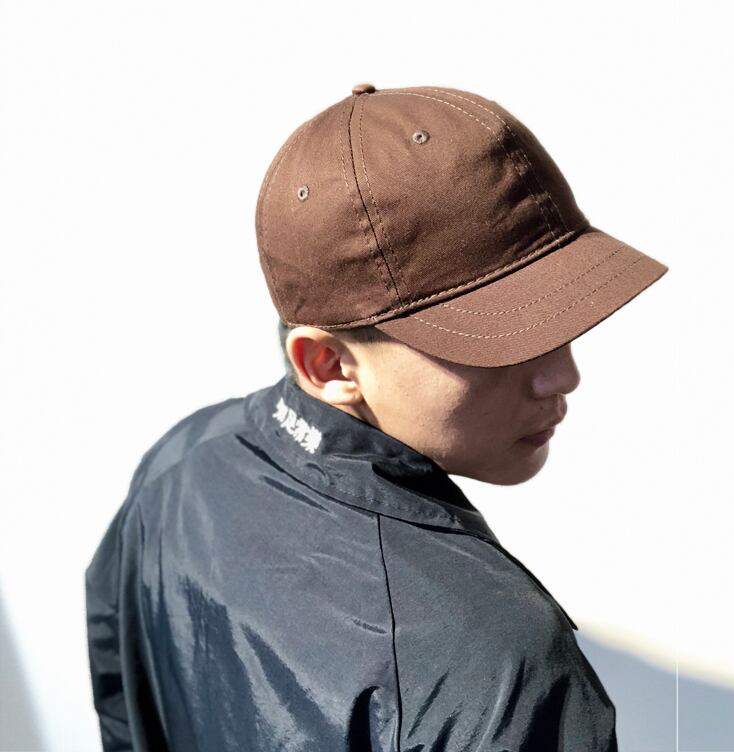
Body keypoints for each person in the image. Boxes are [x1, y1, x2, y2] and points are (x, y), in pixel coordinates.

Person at [85, 83, 668, 751]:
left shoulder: (182, 462)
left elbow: (125, 709)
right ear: (330, 365)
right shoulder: (494, 666)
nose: (563, 376)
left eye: (561, 322)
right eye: (499, 342)